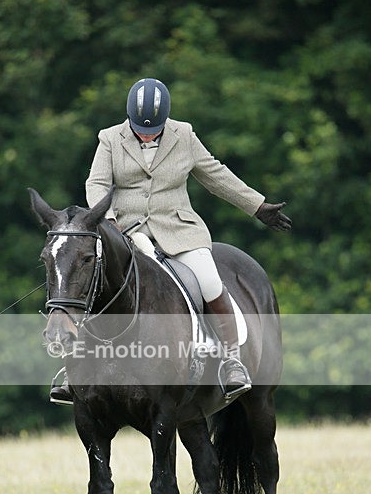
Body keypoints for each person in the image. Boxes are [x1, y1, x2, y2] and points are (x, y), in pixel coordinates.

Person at [50, 77, 291, 404]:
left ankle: (232, 359)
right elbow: (96, 183)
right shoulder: (109, 138)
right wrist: (106, 220)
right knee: (95, 281)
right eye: (141, 129)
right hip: (126, 231)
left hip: (179, 228)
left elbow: (215, 175)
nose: (147, 135)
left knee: (209, 282)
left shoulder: (184, 135)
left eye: (154, 130)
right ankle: (72, 365)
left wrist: (257, 206)